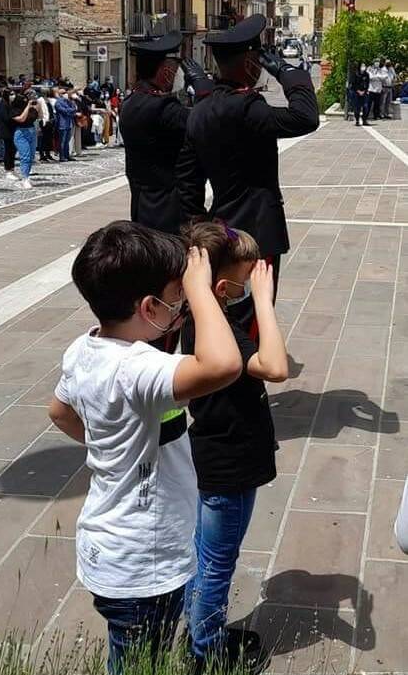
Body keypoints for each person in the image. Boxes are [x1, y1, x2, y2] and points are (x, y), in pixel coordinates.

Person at [48, 220, 242, 675]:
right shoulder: (137, 368)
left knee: (134, 656)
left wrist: (110, 447)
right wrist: (199, 288)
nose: (182, 305)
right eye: (176, 296)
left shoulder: (84, 348)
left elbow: (58, 411)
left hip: (110, 546)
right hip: (143, 565)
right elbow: (224, 363)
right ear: (151, 306)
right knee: (138, 664)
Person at [181, 220, 288, 672]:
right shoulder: (219, 328)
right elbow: (274, 367)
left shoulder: (204, 319)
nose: (249, 288)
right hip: (229, 463)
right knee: (216, 564)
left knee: (205, 556)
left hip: (219, 455)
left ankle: (200, 633)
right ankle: (205, 653)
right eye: (244, 281)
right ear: (222, 284)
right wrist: (264, 300)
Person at [177, 14, 319, 327]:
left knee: (224, 308)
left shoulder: (199, 112)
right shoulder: (248, 107)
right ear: (250, 63)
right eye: (257, 59)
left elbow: (188, 180)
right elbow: (306, 117)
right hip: (257, 231)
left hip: (221, 226)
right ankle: (243, 372)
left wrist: (198, 224)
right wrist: (287, 72)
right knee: (253, 316)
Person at [119, 32, 210, 235]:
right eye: (177, 69)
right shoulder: (164, 108)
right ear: (166, 72)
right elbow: (206, 123)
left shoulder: (130, 103)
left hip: (143, 205)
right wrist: (204, 90)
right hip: (170, 211)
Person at [11, 88, 38, 189]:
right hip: (21, 132)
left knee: (31, 156)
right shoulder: (14, 110)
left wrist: (35, 105)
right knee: (25, 156)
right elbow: (22, 119)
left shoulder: (31, 108)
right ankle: (25, 178)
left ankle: (27, 175)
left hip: (31, 131)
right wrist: (27, 106)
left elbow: (36, 115)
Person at [0, 88, 17, 182]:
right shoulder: (2, 104)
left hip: (10, 130)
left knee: (12, 150)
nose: (13, 96)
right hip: (5, 130)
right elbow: (4, 118)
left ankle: (12, 168)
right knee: (8, 150)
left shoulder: (9, 103)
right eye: (11, 94)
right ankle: (8, 170)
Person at [55, 91, 76, 161]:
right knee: (62, 141)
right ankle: (62, 156)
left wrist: (71, 108)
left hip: (69, 123)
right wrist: (70, 110)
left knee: (67, 141)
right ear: (60, 94)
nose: (66, 94)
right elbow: (63, 111)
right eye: (64, 93)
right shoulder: (58, 102)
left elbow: (74, 109)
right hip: (62, 124)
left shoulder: (68, 101)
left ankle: (67, 155)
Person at [352, 62, 370, 127]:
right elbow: (353, 84)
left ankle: (364, 120)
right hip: (356, 93)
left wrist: (364, 91)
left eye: (364, 66)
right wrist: (358, 91)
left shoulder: (366, 74)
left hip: (364, 93)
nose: (363, 67)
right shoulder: (355, 74)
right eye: (362, 66)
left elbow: (367, 84)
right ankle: (357, 120)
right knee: (357, 108)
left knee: (365, 107)